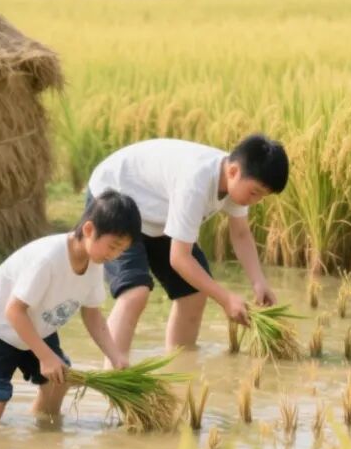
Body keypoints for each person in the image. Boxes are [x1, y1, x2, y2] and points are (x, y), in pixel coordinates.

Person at [88, 135, 288, 355]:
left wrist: (259, 282)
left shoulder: (236, 181)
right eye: (254, 193)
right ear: (233, 171)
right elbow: (179, 258)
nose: (255, 200)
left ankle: (179, 368)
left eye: (262, 196)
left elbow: (240, 234)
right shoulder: (196, 183)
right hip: (116, 197)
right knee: (135, 293)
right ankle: (114, 377)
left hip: (159, 214)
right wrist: (226, 299)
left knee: (193, 293)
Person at [0, 190, 140, 428]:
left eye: (121, 250)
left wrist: (115, 355)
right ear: (89, 230)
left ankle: (44, 437)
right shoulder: (48, 259)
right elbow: (14, 311)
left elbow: (92, 313)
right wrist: (46, 357)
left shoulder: (94, 265)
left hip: (36, 327)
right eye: (113, 246)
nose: (115, 256)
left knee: (57, 383)